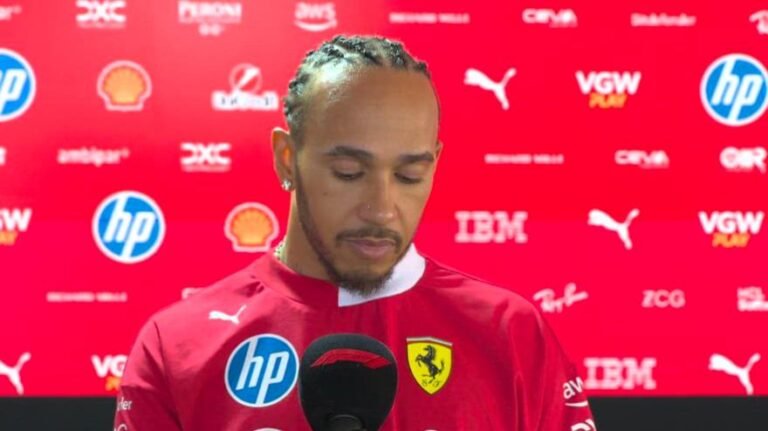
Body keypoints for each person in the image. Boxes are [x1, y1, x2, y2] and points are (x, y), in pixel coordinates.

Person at [114, 35, 597, 430]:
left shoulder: (513, 335)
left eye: (409, 175)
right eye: (349, 173)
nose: (382, 209)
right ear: (287, 159)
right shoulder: (176, 347)